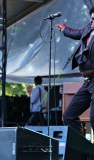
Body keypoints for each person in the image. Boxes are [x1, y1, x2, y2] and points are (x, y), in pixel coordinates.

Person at [55, 6, 94, 135]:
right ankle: (83, 149)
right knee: (68, 116)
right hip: (88, 82)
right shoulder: (89, 29)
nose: (93, 22)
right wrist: (64, 29)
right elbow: (77, 33)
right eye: (92, 19)